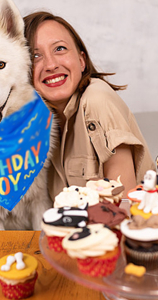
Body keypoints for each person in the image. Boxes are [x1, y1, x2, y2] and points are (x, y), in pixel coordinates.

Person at [23, 11, 155, 200]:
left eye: (59, 49)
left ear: (81, 60)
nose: (50, 65)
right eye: (35, 56)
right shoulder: (37, 125)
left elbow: (123, 205)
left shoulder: (97, 99)